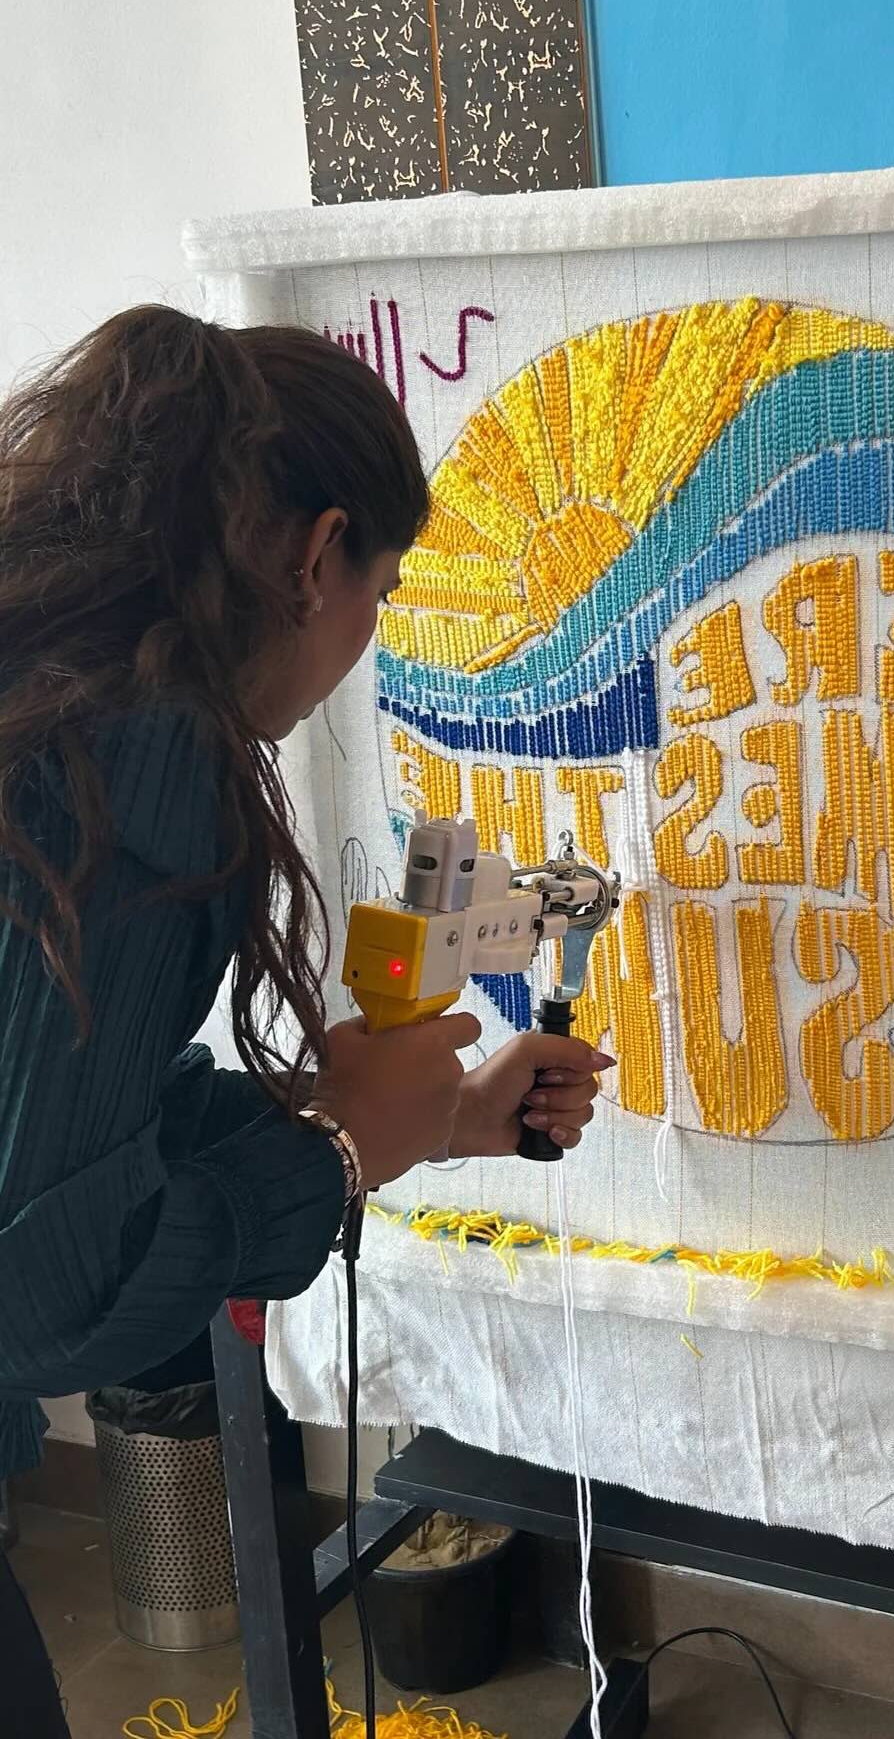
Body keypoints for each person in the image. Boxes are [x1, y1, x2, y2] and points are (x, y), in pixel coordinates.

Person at [0, 308, 608, 1732]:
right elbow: (48, 1292)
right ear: (317, 553)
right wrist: (332, 1156)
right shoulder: (128, 783)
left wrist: (425, 1120)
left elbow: (79, 1126)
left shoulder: (44, 696)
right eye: (380, 597)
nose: (359, 647)